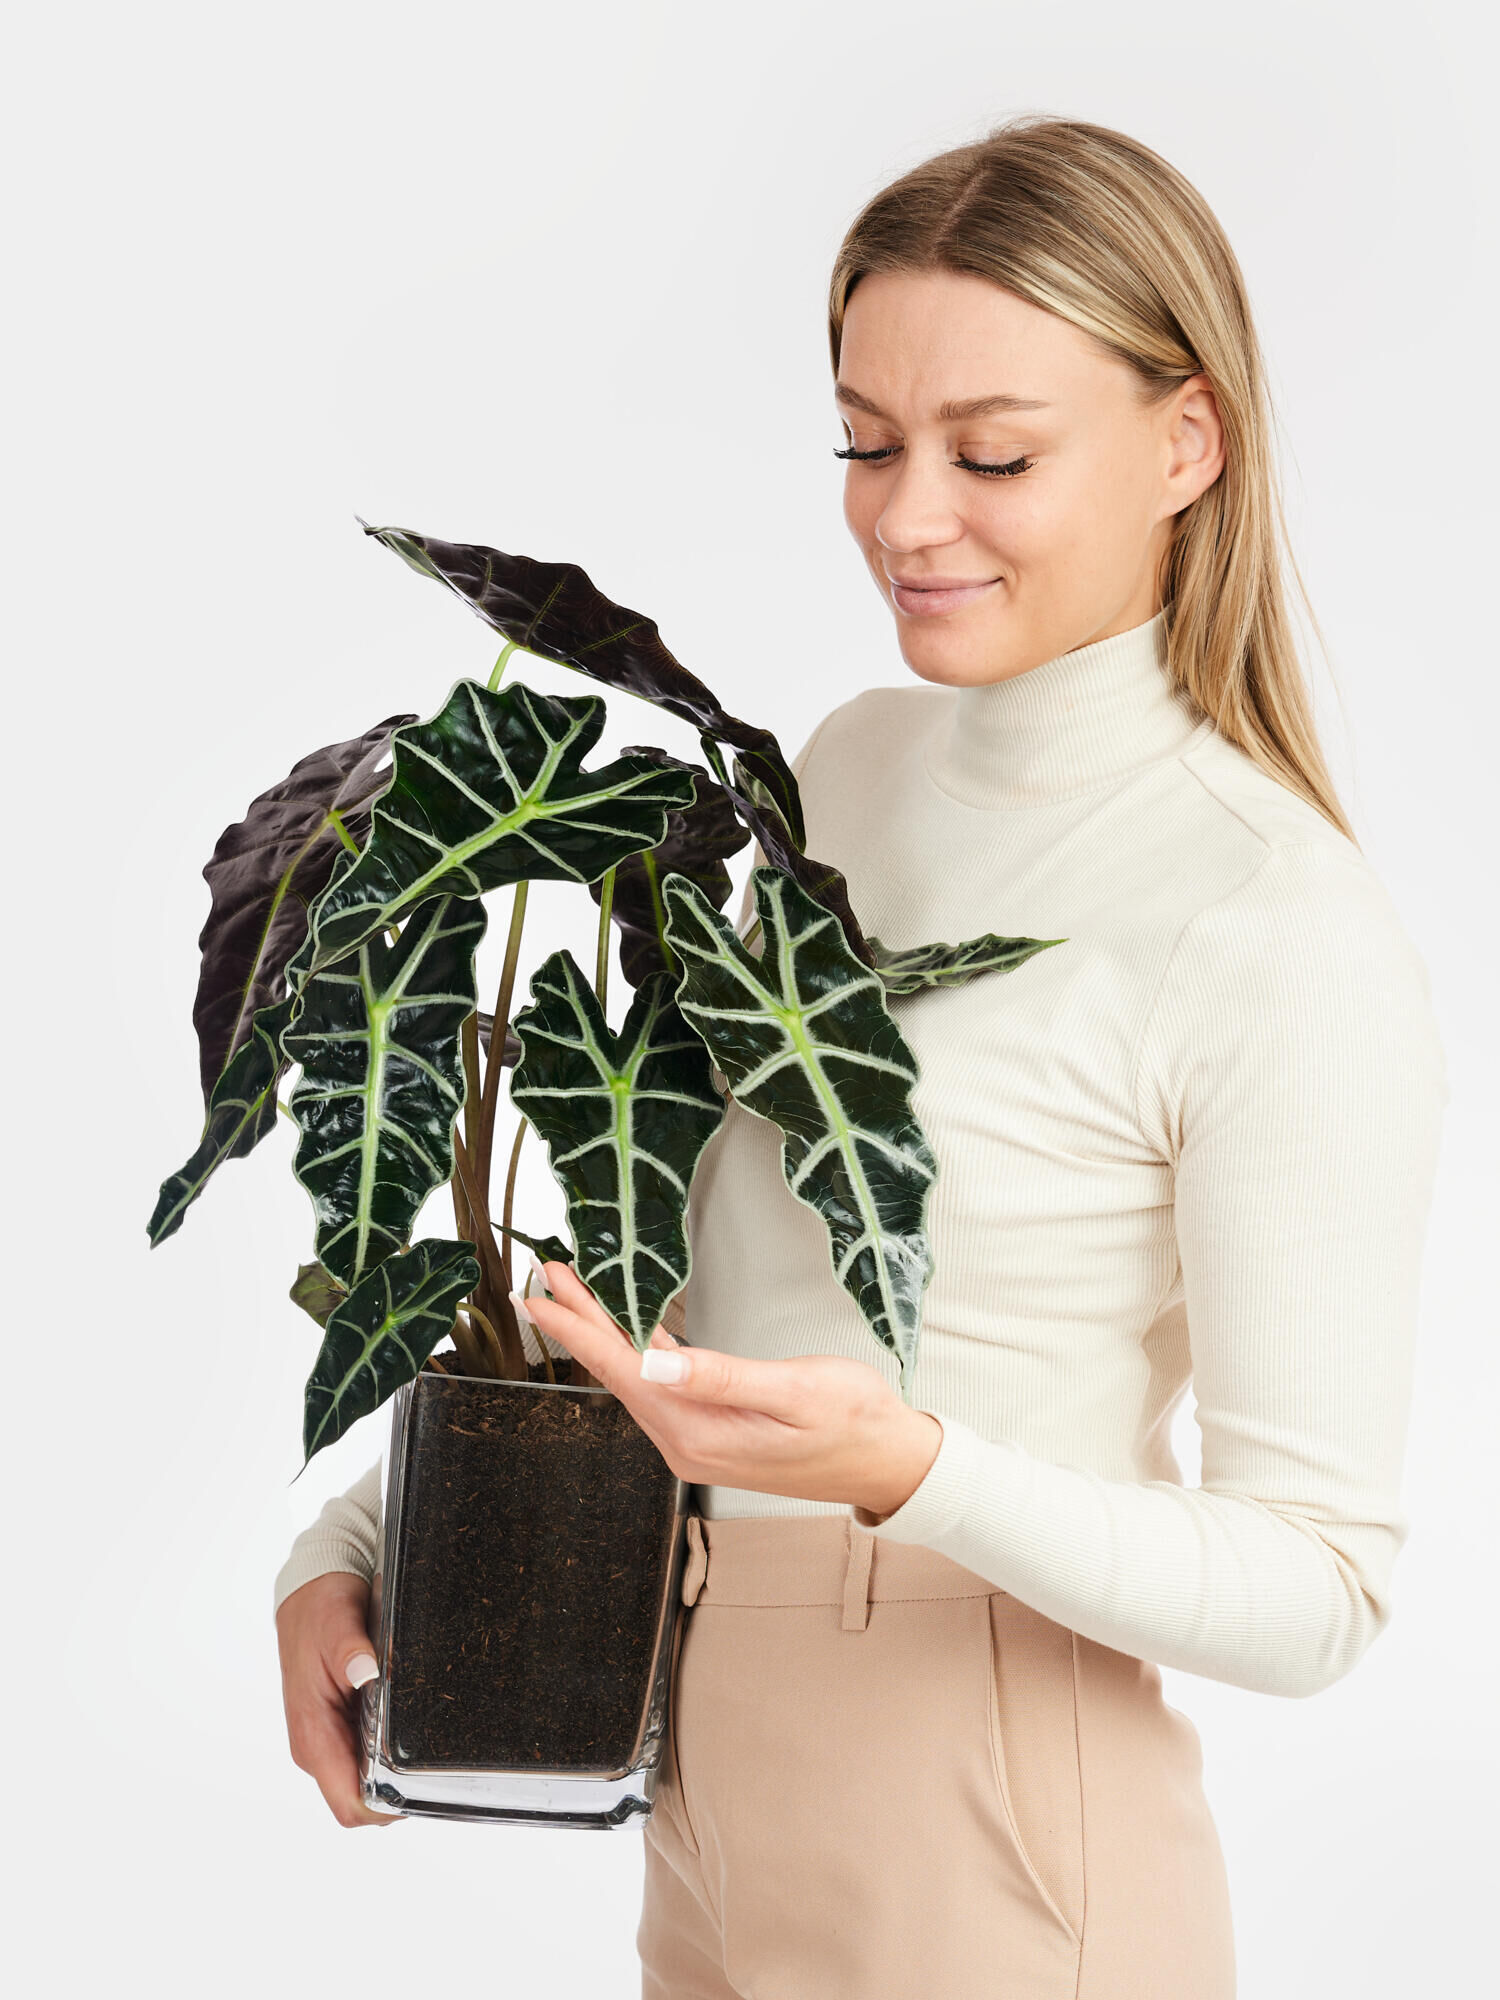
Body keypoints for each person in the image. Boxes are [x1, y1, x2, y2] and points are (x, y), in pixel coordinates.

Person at [273, 115, 1449, 1998]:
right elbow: (702, 1272)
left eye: (993, 453)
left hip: (993, 1828)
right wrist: (357, 1537)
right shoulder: (847, 768)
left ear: (1187, 442)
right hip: (699, 1785)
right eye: (865, 441)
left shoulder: (1269, 922)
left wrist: (913, 1471)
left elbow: (1319, 1589)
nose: (905, 517)